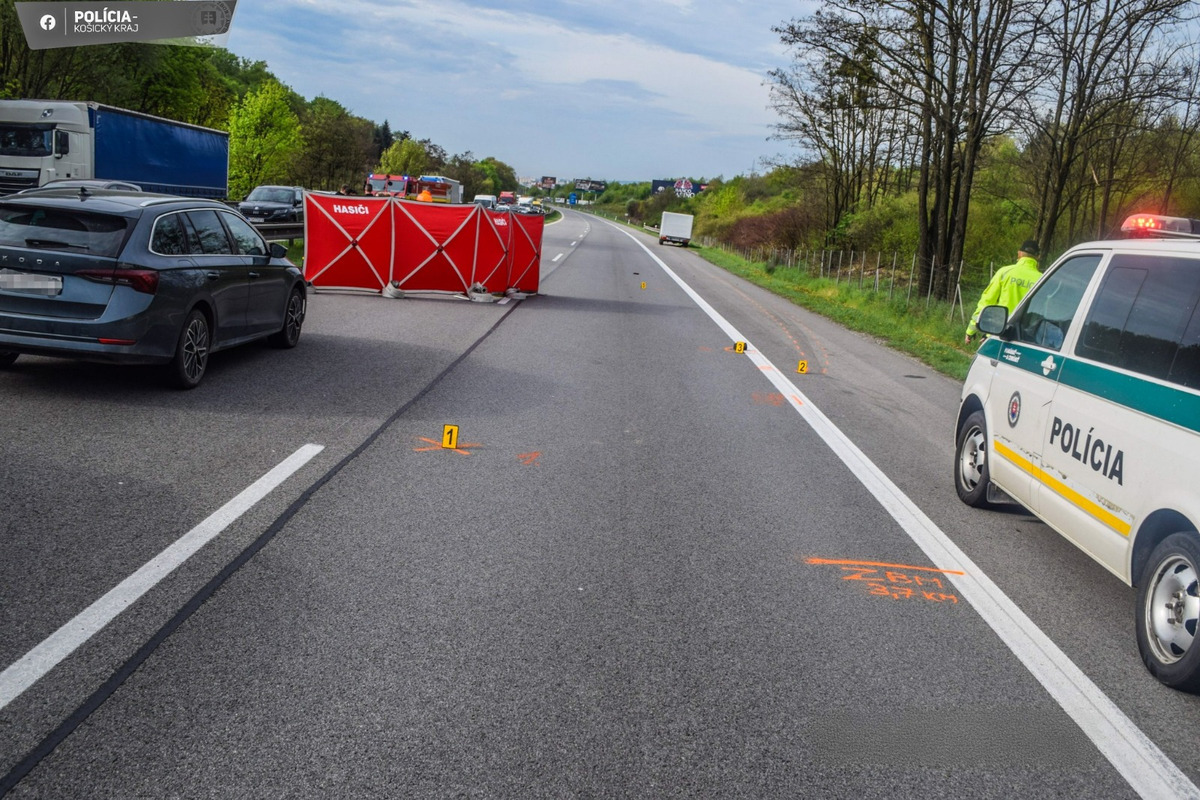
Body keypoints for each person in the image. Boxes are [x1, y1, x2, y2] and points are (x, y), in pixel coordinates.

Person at [965, 239, 1041, 344]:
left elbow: (987, 302)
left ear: (1019, 253)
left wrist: (971, 329)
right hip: (1027, 339)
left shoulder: (1005, 272)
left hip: (999, 334)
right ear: (1038, 257)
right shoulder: (1042, 280)